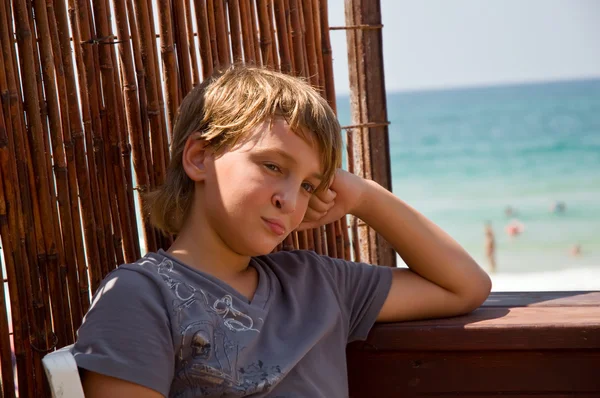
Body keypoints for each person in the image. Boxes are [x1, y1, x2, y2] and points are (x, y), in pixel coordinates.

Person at [71, 66, 491, 397]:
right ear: (200, 158)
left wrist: (365, 196)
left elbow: (464, 286)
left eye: (309, 185)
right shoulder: (140, 297)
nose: (290, 200)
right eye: (273, 166)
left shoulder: (316, 283)